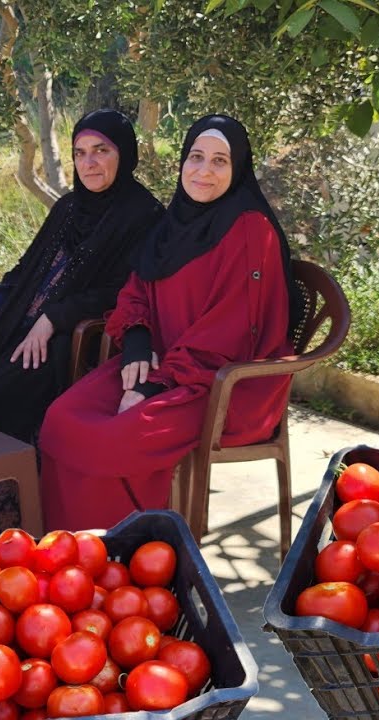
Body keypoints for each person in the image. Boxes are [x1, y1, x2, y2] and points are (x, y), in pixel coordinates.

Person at [36, 114, 301, 532]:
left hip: (222, 384)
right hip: (160, 361)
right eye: (195, 157)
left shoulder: (251, 230)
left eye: (219, 161)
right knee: (61, 419)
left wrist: (151, 385)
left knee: (111, 440)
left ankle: (133, 557)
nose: (203, 171)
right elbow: (137, 289)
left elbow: (230, 331)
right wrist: (137, 342)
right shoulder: (173, 222)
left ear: (238, 170)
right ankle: (71, 554)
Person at [0, 109, 164, 534]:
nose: (89, 163)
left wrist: (55, 317)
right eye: (80, 153)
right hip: (20, 320)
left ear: (124, 154)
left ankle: (1, 513)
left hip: (76, 337)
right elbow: (25, 269)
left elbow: (126, 291)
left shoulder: (144, 216)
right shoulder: (71, 206)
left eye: (101, 151)